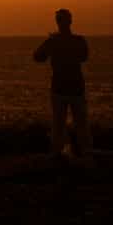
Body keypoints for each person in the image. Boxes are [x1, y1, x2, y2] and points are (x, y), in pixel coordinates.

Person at [33, 8, 91, 156]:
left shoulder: (53, 41)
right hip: (76, 89)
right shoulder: (79, 41)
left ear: (57, 22)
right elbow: (84, 56)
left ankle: (57, 155)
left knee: (58, 126)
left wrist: (51, 43)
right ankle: (84, 154)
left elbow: (38, 57)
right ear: (70, 21)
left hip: (59, 89)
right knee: (81, 126)